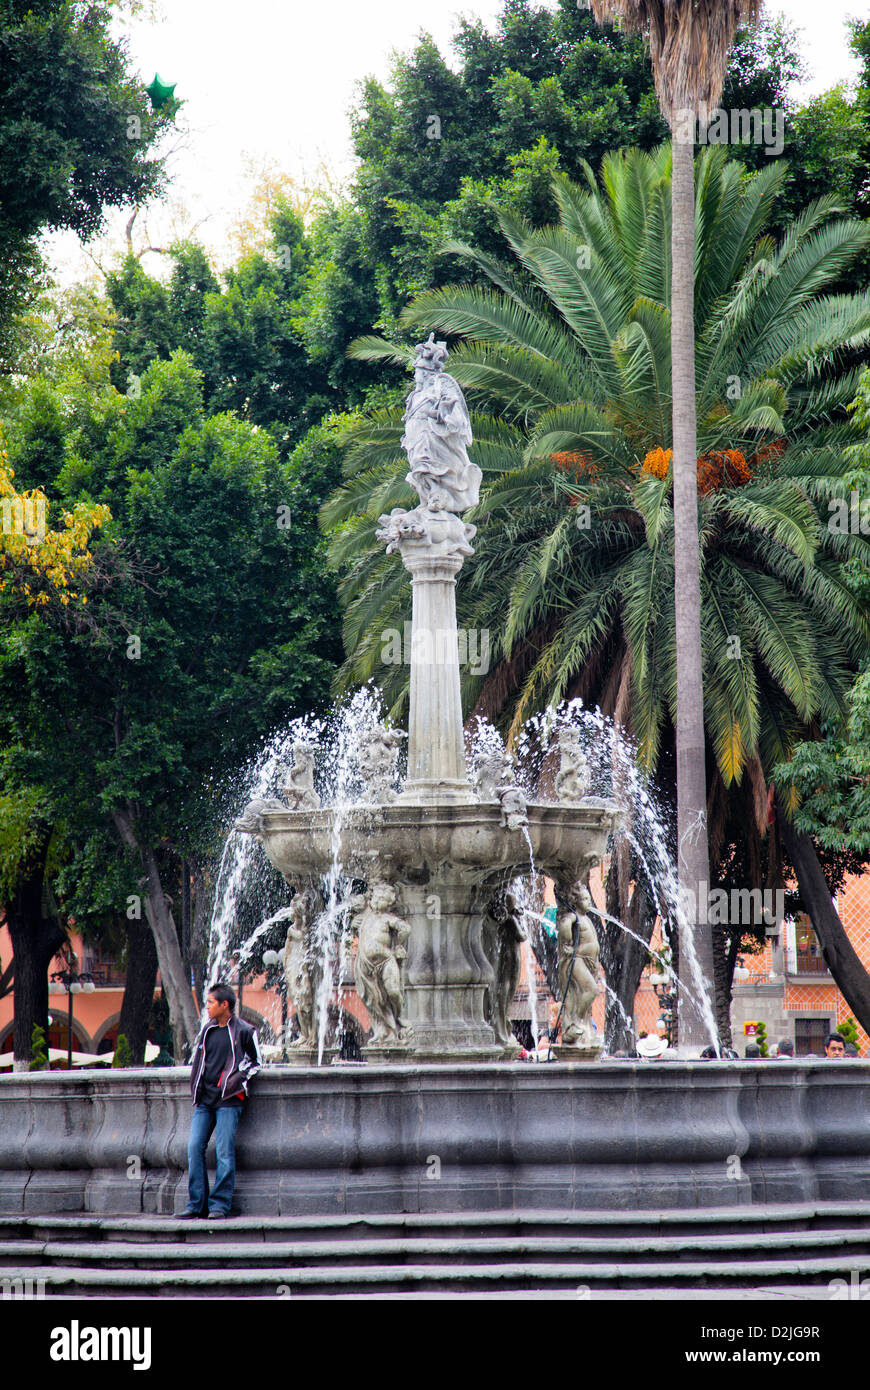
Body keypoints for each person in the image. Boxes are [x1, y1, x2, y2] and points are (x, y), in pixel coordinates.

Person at [181, 983, 262, 1219]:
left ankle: (219, 1205)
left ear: (224, 1005)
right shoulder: (207, 1030)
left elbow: (256, 1062)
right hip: (204, 1100)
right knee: (194, 1147)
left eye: (210, 1003)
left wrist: (236, 1080)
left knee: (224, 1152)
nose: (206, 1007)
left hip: (229, 1100)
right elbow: (200, 1061)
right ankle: (196, 1204)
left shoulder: (245, 1031)